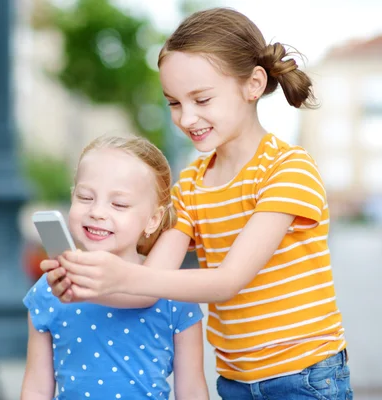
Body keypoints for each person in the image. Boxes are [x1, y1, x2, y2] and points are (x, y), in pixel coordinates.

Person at [41, 7, 353, 400]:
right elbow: (148, 287)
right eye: (173, 103)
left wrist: (122, 276)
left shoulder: (288, 169)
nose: (187, 118)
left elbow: (227, 281)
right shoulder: (190, 184)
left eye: (201, 99)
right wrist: (83, 284)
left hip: (305, 375)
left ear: (253, 84)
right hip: (235, 381)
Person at [21, 136, 208, 400]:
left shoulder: (173, 294)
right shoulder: (50, 290)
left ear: (153, 220)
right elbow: (36, 389)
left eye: (118, 204)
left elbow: (192, 391)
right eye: (85, 197)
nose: (97, 211)